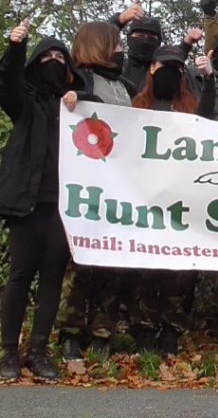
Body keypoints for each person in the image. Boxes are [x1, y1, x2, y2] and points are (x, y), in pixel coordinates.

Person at [0, 20, 95, 380]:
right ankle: (9, 353)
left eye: (61, 56)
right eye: (47, 55)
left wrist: (80, 98)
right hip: (26, 202)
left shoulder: (75, 106)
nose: (54, 60)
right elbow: (6, 83)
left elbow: (104, 109)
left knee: (53, 277)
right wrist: (15, 47)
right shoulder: (23, 102)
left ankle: (38, 351)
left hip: (63, 206)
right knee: (20, 276)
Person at [125, 45, 215, 354]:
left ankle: (171, 330)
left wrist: (210, 81)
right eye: (166, 66)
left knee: (181, 271)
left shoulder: (190, 106)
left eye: (178, 69)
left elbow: (207, 126)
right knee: (146, 268)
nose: (171, 73)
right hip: (146, 200)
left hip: (183, 201)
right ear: (152, 68)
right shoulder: (137, 106)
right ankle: (144, 330)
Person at [57, 21, 136, 359]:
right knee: (81, 262)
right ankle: (69, 333)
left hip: (121, 187)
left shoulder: (124, 86)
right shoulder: (75, 78)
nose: (120, 50)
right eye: (114, 44)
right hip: (88, 188)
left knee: (114, 262)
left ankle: (102, 332)